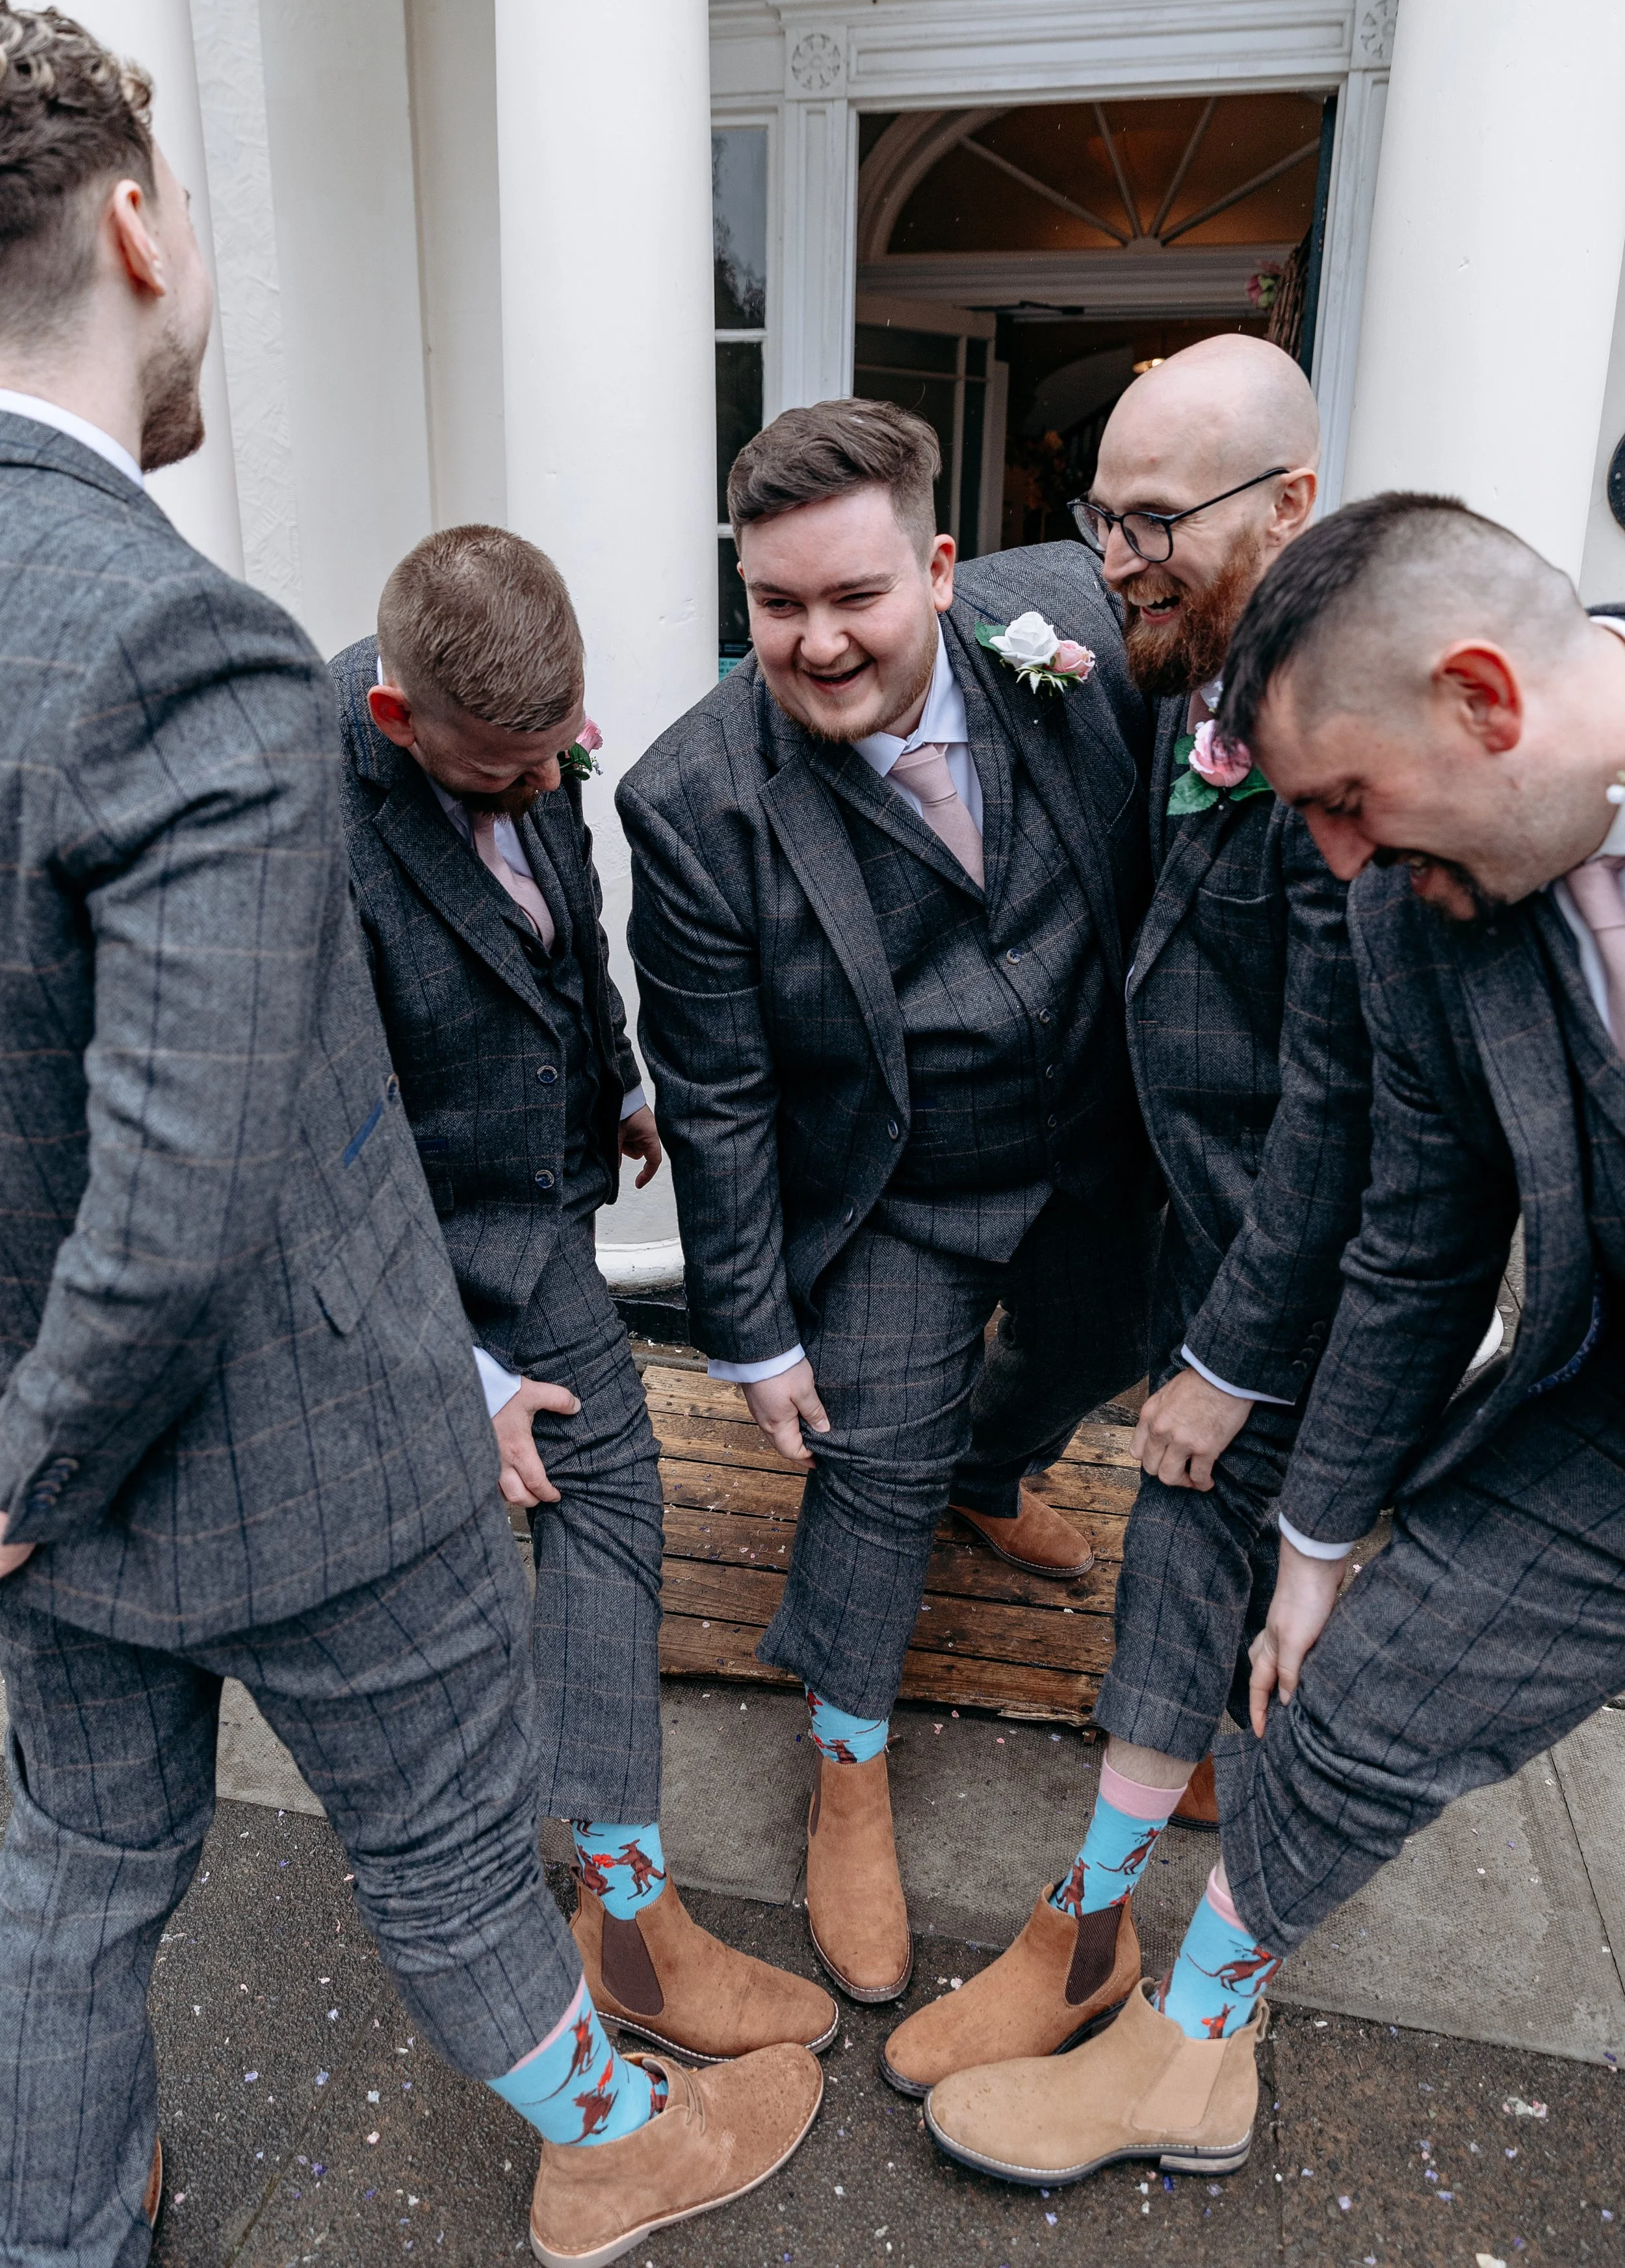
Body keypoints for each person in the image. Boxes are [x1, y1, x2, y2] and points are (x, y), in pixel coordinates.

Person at [0, 0, 818, 2268]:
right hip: (294, 1451)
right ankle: (610, 2138)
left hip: (55, 1477)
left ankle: (64, 2227)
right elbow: (199, 1185)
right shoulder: (187, 648)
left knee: (73, 1876)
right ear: (140, 231)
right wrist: (27, 1471)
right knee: (453, 1850)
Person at [918, 490, 1625, 2188]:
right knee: (1348, 1705)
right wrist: (1316, 1541)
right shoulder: (1412, 899)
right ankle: (1182, 2048)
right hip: (1597, 1407)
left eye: (1347, 803)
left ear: (1482, 701)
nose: (1337, 860)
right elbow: (1420, 1228)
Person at [619, 399, 1160, 2009]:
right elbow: (714, 1092)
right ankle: (846, 1760)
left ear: (936, 568)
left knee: (1092, 1353)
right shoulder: (691, 800)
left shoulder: (1069, 624)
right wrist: (751, 1331)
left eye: (853, 596)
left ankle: (992, 1472)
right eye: (774, 603)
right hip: (895, 1187)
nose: (815, 642)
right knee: (869, 1466)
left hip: (1100, 1137)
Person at [879, 337, 1372, 2097]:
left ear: (1288, 506)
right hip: (1159, 1187)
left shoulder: (1348, 752)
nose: (1113, 558)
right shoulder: (1178, 648)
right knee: (1146, 1453)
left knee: (1185, 1514)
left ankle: (1092, 1929)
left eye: (1153, 519)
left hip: (1300, 1257)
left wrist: (1226, 1362)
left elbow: (1342, 1112)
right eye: (1102, 513)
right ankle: (1183, 1751)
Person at [333, 528, 836, 2065]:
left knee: (567, 1507)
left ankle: (602, 1904)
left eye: (566, 751)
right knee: (579, 1498)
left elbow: (568, 932)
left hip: (532, 1185)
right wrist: (459, 1376)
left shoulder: (523, 746)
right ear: (396, 721)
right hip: (409, 1239)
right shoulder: (300, 829)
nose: (550, 786)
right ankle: (615, 1931)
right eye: (510, 771)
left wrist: (611, 1080)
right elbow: (315, 1152)